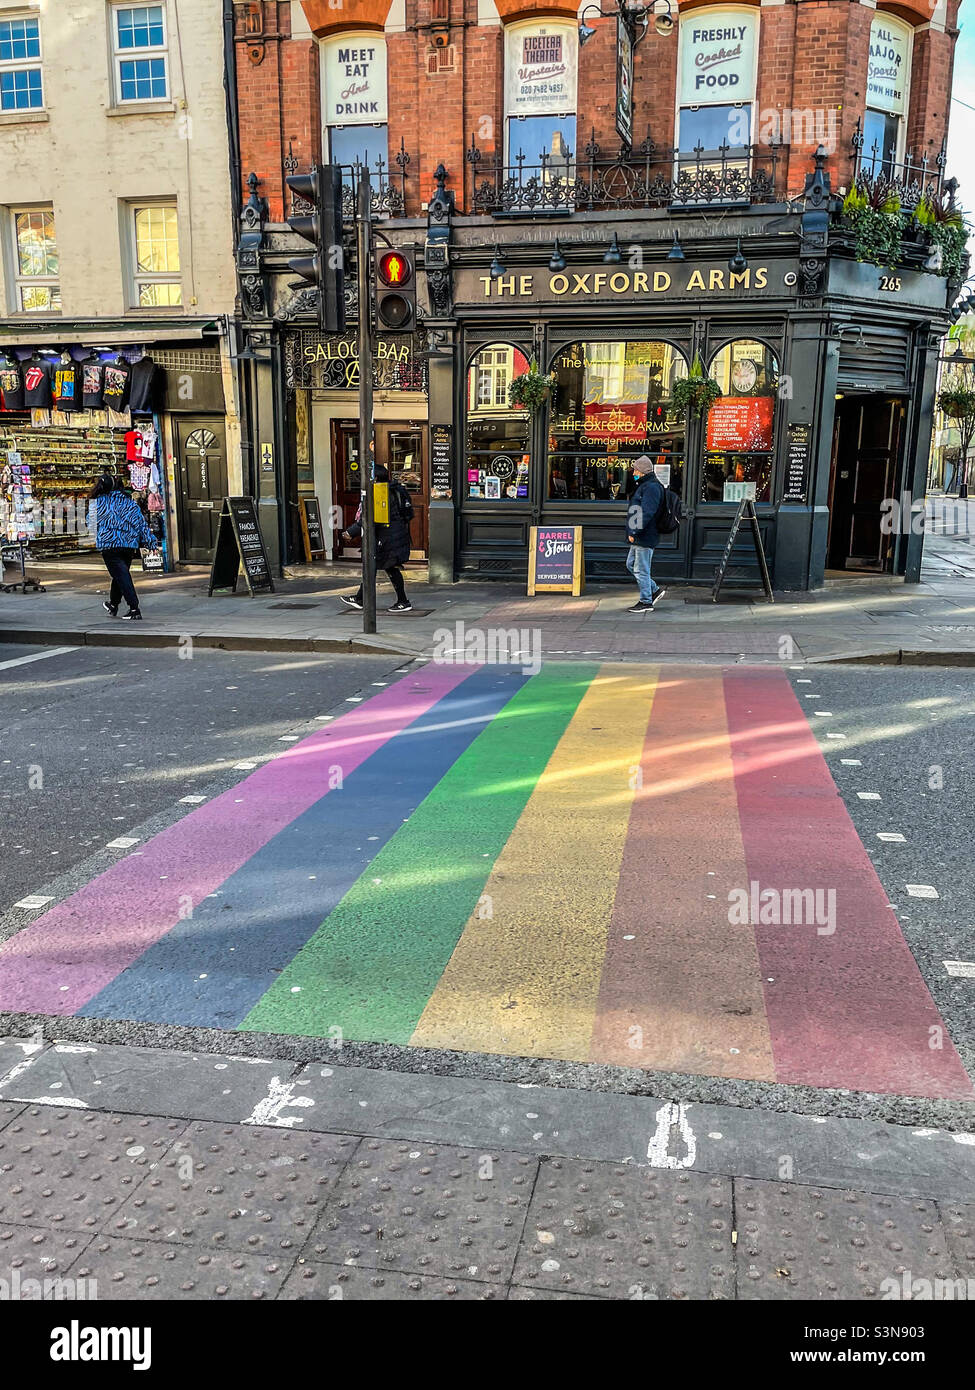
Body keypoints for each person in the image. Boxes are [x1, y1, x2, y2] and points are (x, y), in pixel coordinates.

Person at [340, 464, 414, 613]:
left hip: (387, 537)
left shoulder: (380, 493)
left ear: (375, 478)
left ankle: (400, 601)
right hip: (396, 534)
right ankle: (400, 601)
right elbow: (408, 514)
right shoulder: (396, 488)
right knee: (385, 567)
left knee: (374, 565)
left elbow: (369, 518)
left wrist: (350, 532)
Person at [92, 474, 158, 620]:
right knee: (120, 575)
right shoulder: (130, 504)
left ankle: (134, 608)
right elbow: (141, 525)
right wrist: (151, 542)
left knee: (121, 575)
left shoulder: (98, 503)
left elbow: (90, 524)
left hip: (109, 545)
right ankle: (113, 604)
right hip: (128, 546)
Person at [624, 454, 667, 614]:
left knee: (641, 569)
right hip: (640, 533)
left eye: (635, 469)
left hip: (644, 534)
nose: (633, 471)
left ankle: (646, 601)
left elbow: (647, 512)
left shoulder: (651, 487)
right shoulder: (645, 485)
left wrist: (634, 531)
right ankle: (654, 590)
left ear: (642, 471)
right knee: (631, 564)